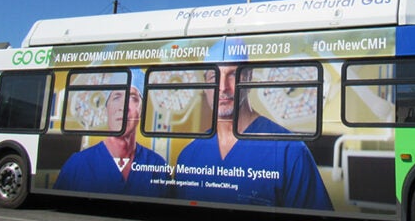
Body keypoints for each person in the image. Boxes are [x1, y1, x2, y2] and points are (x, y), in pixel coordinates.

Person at [174, 63, 333, 210]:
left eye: (233, 75)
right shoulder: (188, 157)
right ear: (205, 86)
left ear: (249, 78)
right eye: (214, 77)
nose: (223, 87)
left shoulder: (289, 151)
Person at [54, 71, 168, 197]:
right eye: (116, 97)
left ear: (141, 109)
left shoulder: (157, 166)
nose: (123, 107)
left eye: (133, 98)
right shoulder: (76, 165)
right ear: (106, 107)